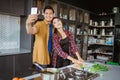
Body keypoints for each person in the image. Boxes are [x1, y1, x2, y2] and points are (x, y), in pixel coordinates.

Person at [26, 5, 55, 70]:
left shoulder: (52, 26)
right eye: (46, 13)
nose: (48, 15)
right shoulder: (39, 24)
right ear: (43, 14)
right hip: (41, 57)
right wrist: (28, 23)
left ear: (53, 15)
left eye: (50, 13)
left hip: (50, 55)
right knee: (40, 76)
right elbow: (31, 31)